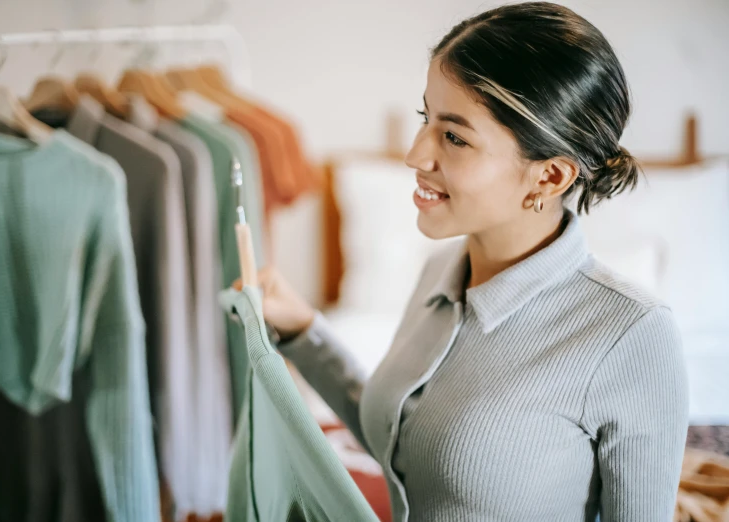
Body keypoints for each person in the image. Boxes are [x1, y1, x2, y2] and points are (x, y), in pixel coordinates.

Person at [239, 2, 689, 520]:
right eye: (425, 119)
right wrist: (303, 332)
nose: (415, 155)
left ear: (549, 177)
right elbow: (402, 439)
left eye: (453, 136)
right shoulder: (441, 273)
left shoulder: (633, 336)